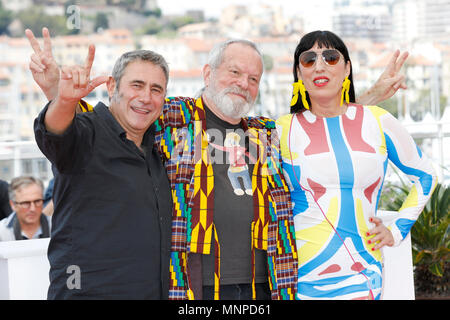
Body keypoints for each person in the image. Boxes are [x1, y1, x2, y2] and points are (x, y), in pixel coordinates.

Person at [28, 29, 408, 300]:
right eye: (234, 72)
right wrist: (55, 92)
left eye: (253, 78)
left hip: (268, 282)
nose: (243, 83)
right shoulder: (171, 115)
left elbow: (320, 119)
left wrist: (371, 95)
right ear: (208, 74)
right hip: (199, 285)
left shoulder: (267, 131)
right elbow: (121, 114)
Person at [276, 30, 438, 300]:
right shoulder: (281, 130)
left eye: (330, 57)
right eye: (308, 59)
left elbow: (426, 175)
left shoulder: (378, 121)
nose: (320, 65)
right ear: (298, 73)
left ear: (347, 67)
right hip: (298, 276)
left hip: (362, 274)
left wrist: (397, 229)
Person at [30, 28, 173, 299]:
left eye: (156, 90)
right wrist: (63, 100)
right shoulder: (86, 132)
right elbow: (56, 133)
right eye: (137, 85)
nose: (146, 98)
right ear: (111, 86)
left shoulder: (159, 148)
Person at [0, 176, 50, 241]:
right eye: (26, 203)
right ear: (13, 205)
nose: (33, 208)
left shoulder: (58, 227)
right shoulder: (2, 232)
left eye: (37, 201)